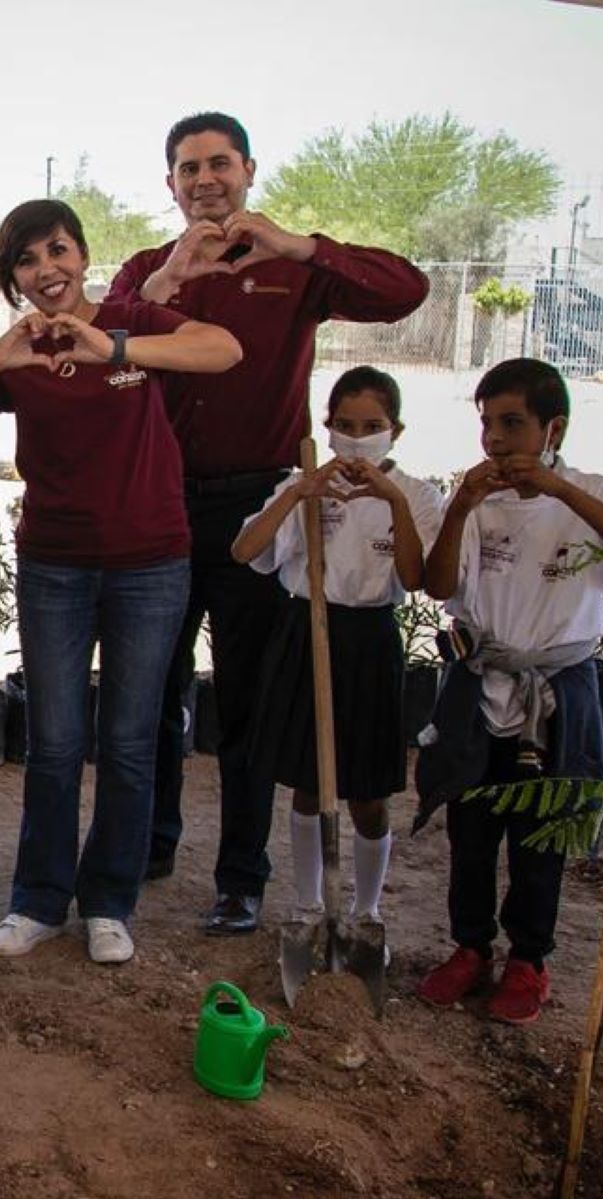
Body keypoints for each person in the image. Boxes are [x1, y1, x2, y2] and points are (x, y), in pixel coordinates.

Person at [107, 111, 429, 936]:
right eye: (188, 168)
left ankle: (240, 878)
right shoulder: (152, 268)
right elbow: (104, 337)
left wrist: (299, 245)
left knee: (248, 703)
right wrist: (171, 276)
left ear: (248, 170)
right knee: (153, 693)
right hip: (162, 505)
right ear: (170, 184)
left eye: (220, 164)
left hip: (264, 508)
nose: (206, 179)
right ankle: (148, 846)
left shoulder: (293, 268)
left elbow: (405, 290)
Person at [0, 199, 241, 965]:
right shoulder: (21, 352)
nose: (45, 270)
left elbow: (223, 349)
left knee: (129, 741)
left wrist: (115, 344)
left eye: (56, 251)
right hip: (54, 565)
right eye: (26, 261)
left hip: (152, 563)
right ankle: (38, 900)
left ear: (83, 256)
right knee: (56, 742)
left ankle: (109, 903)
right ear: (13, 278)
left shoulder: (130, 318)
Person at [412, 359, 603, 1025]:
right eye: (487, 423)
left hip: (556, 686)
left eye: (512, 423)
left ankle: (529, 959)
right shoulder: (475, 500)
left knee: (540, 832)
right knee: (470, 825)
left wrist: (558, 489)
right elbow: (436, 586)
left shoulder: (590, 495)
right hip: (478, 681)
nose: (495, 438)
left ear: (555, 427)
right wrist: (461, 503)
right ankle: (469, 945)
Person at [230, 367, 443, 925]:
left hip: (370, 639)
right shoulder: (303, 487)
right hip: (307, 629)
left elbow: (416, 577)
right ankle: (307, 904)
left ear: (395, 429)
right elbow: (244, 549)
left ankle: (367, 911)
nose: (357, 436)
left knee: (367, 794)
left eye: (372, 425)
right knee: (309, 782)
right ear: (327, 428)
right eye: (345, 425)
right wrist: (300, 493)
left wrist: (392, 498)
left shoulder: (417, 496)